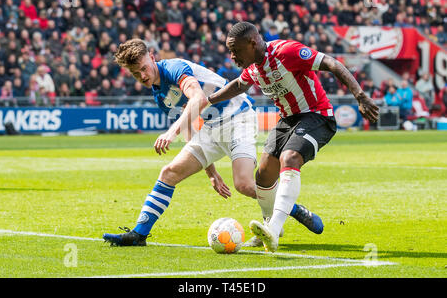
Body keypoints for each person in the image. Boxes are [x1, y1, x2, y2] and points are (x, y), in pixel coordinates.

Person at [103, 39, 321, 247]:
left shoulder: (173, 68)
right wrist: (211, 172)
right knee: (169, 173)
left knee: (243, 184)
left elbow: (197, 99)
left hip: (238, 118)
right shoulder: (160, 95)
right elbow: (189, 128)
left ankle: (290, 208)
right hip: (210, 129)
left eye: (143, 68)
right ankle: (139, 234)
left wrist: (171, 132)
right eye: (135, 73)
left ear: (152, 57)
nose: (142, 75)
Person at [207, 22, 379, 252]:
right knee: (264, 176)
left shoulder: (286, 52)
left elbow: (332, 63)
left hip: (317, 116)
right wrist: (207, 101)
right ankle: (269, 225)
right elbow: (238, 85)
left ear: (252, 42)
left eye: (235, 50)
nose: (232, 56)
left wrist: (360, 95)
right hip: (288, 119)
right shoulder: (254, 68)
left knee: (290, 158)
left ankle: (274, 230)